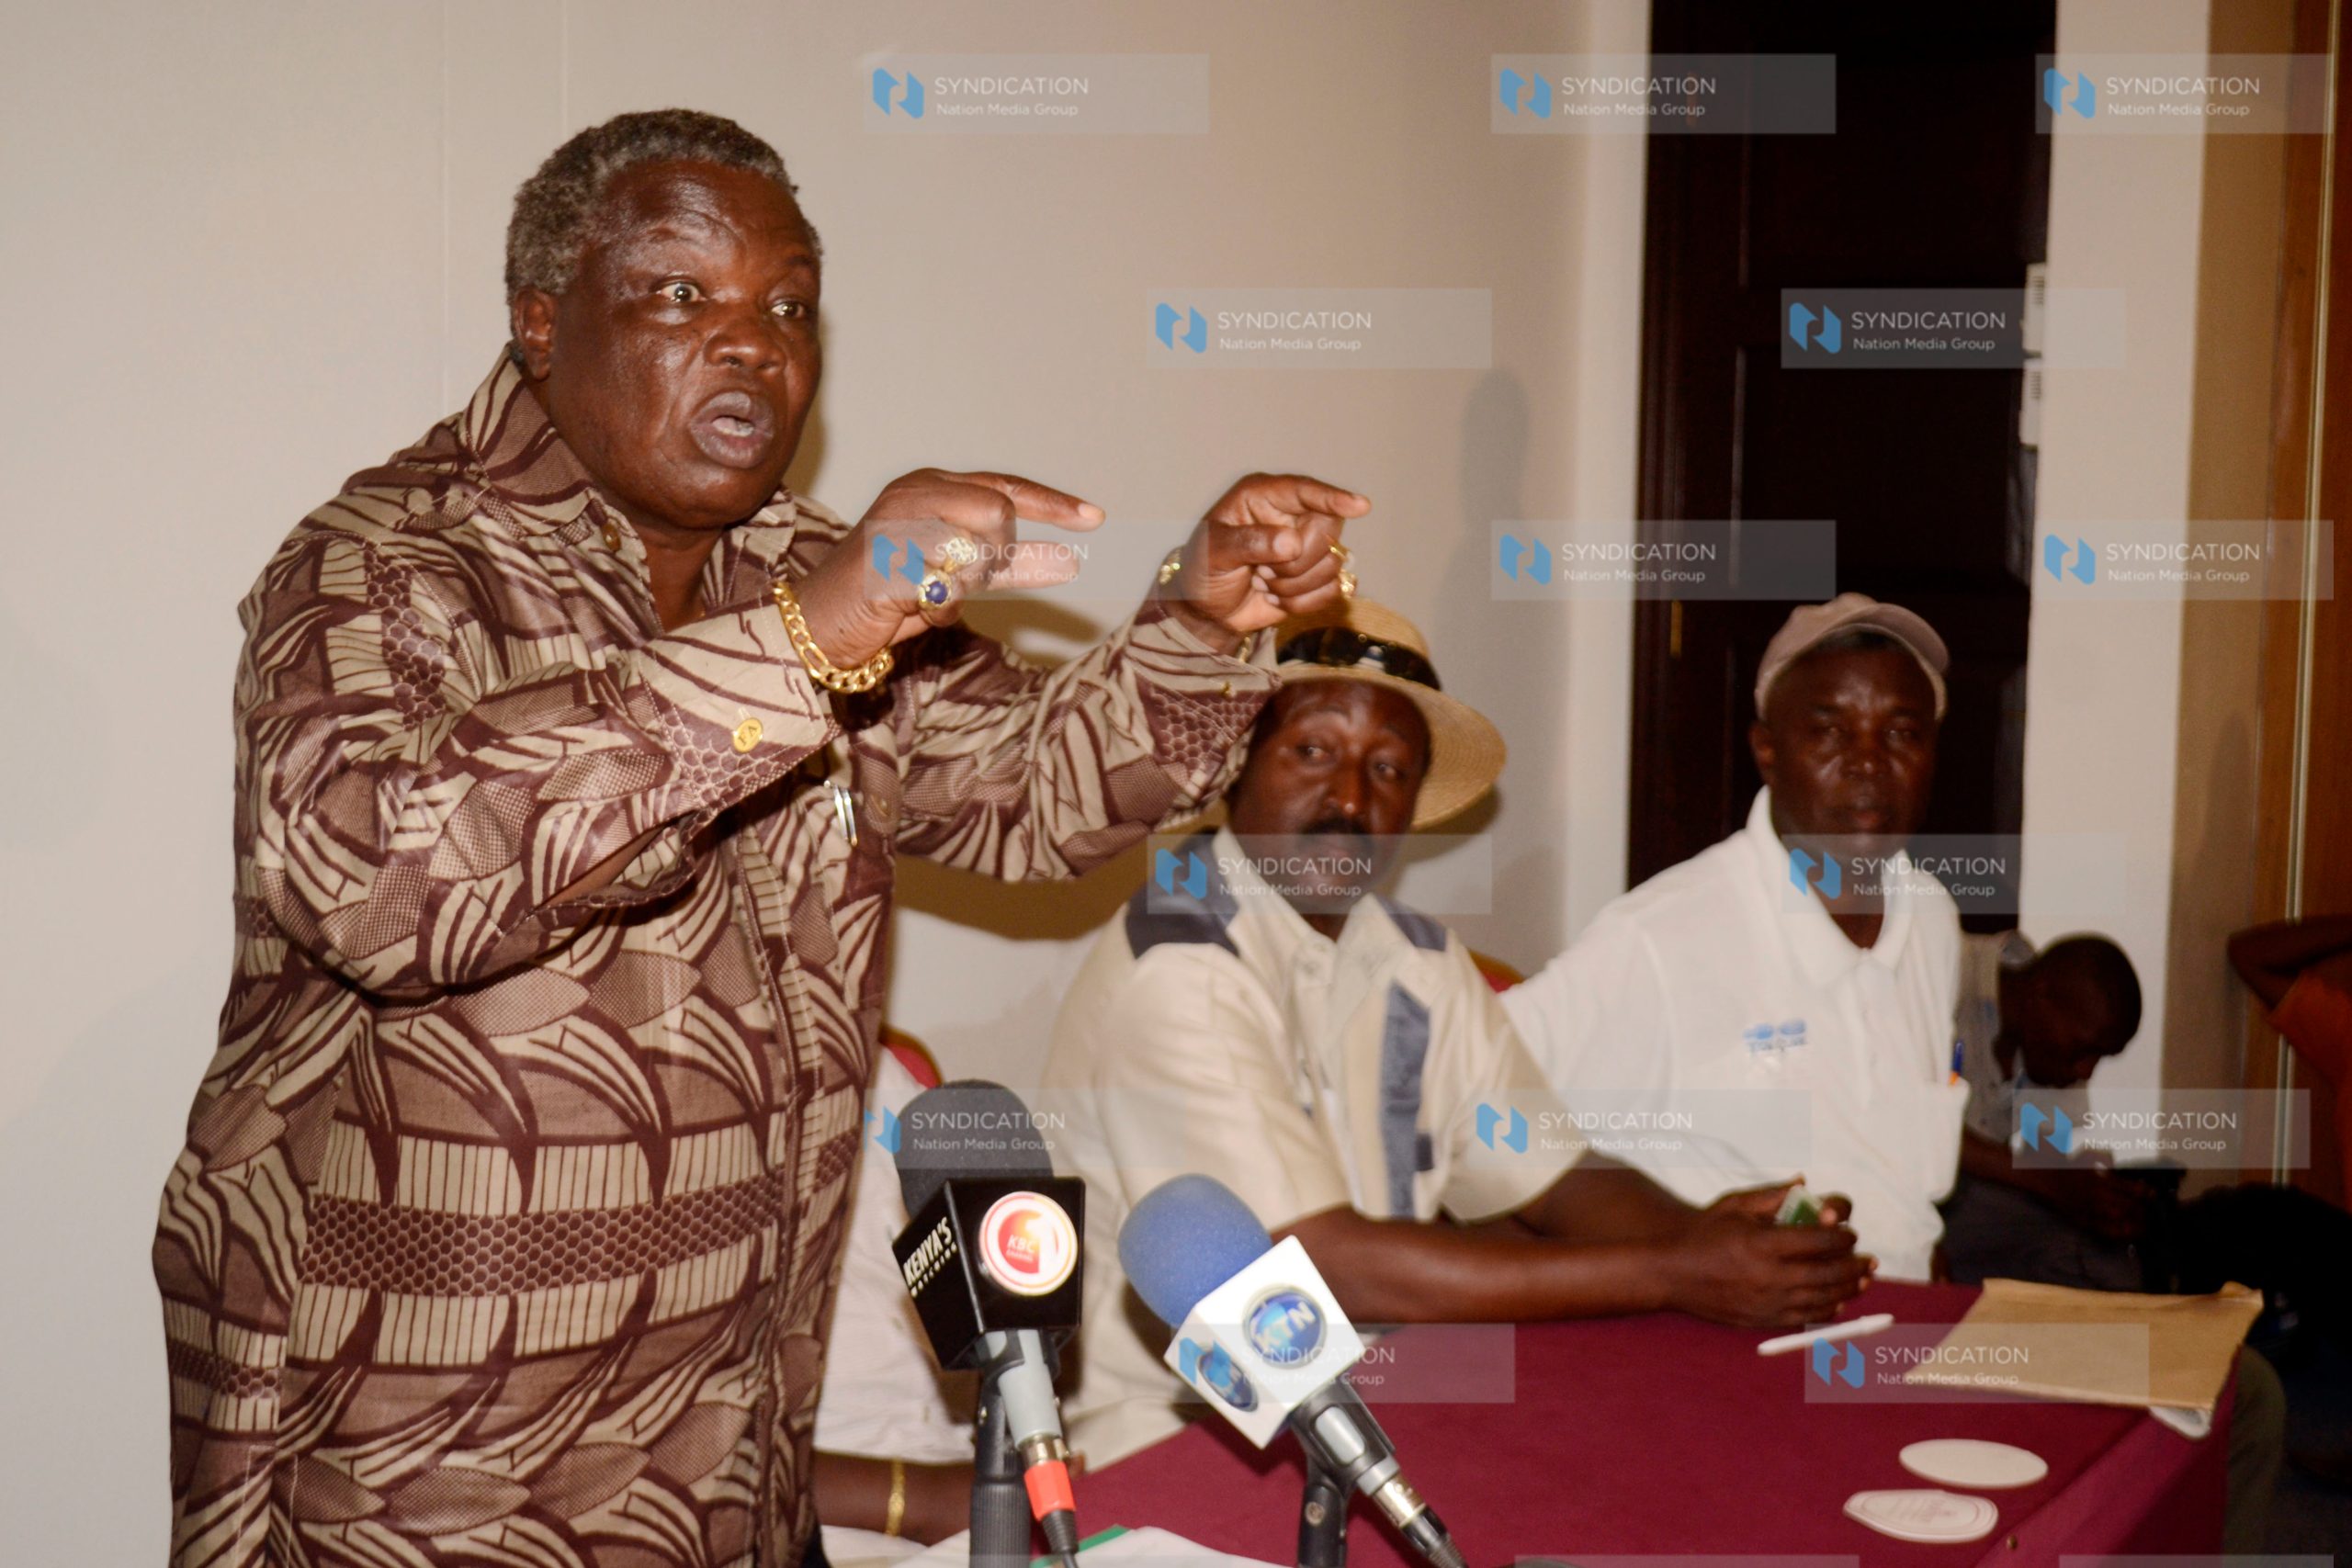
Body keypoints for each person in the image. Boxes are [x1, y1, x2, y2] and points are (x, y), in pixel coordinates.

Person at [150, 108, 1368, 1568]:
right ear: (542, 323)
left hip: (734, 1449)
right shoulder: (381, 566)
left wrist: (1198, 619)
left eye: (787, 305)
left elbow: (1031, 794)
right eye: (680, 296)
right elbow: (384, 884)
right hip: (425, 1467)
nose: (752, 344)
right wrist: (802, 649)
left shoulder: (803, 566)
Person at [1042, 600, 1871, 1465]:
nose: (1352, 800)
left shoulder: (1416, 958)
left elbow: (1553, 1182)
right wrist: (1674, 1270)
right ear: (1236, 763)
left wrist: (1719, 1238)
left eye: (1390, 769)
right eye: (1314, 750)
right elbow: (1321, 1262)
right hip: (1188, 1447)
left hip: (1384, 1404)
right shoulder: (1178, 957)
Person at [1503, 593, 1969, 1280]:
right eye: (1831, 731)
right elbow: (1470, 1108)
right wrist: (1677, 1246)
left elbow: (1908, 1197)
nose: (1869, 761)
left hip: (1904, 1336)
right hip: (1737, 1356)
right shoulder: (1664, 936)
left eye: (1901, 733)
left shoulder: (1932, 918)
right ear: (1768, 751)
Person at [1940, 932, 2151, 1290]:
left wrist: (2094, 1200)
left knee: (2107, 1263)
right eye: (2085, 1050)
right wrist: (2055, 1184)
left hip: (1974, 1211)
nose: (2086, 1071)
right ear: (2040, 994)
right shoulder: (1947, 974)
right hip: (1906, 1192)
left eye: (2102, 1056)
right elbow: (1919, 1131)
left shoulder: (2058, 1041)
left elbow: (2046, 1157)